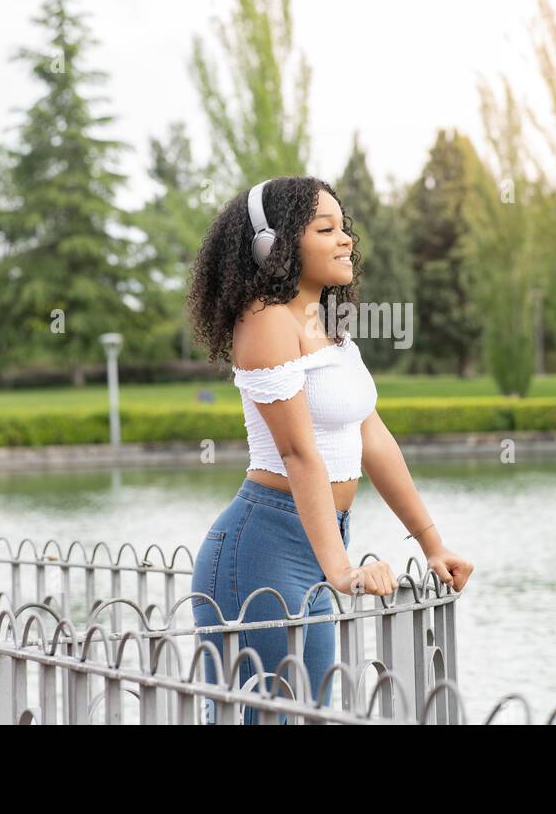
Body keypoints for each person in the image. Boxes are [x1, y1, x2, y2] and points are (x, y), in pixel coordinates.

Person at [185, 175, 474, 724]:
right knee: (278, 717)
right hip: (263, 546)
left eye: (345, 228)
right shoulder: (266, 321)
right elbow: (298, 454)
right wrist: (340, 570)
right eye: (326, 229)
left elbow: (373, 437)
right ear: (273, 246)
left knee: (308, 712)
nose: (346, 240)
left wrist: (433, 543)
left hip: (315, 542)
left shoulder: (330, 325)